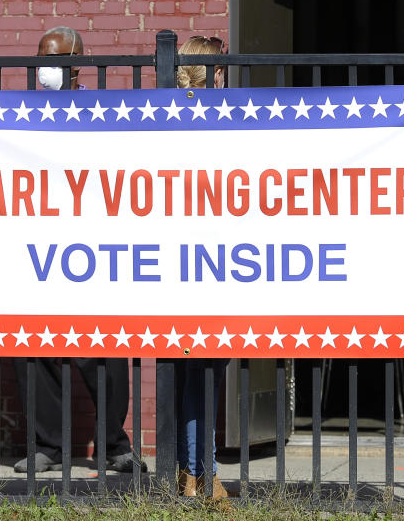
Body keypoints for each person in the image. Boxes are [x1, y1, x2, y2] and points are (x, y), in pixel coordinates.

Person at [12, 27, 142, 475]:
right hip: (39, 244)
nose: (45, 66)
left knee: (103, 346)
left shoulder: (99, 109)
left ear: (77, 63)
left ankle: (113, 445)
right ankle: (49, 445)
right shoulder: (19, 112)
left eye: (54, 57)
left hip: (92, 244)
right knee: (36, 345)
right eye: (40, 55)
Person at [175, 35, 231, 498]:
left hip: (194, 260)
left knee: (194, 369)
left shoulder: (165, 114)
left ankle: (192, 473)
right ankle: (203, 473)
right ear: (214, 73)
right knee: (203, 369)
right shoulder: (217, 117)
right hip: (204, 262)